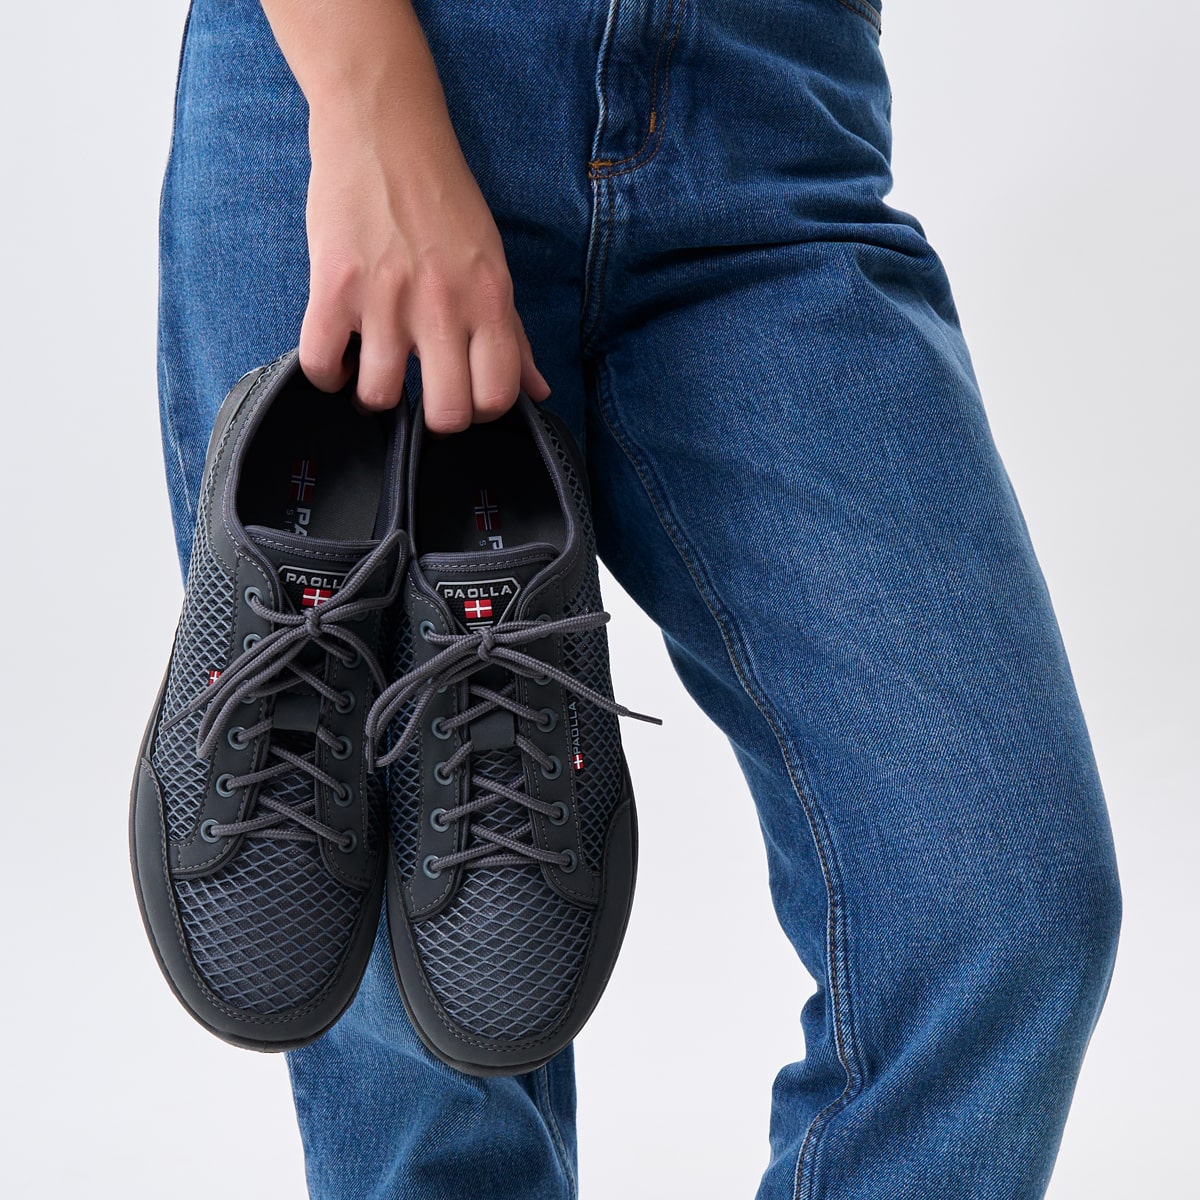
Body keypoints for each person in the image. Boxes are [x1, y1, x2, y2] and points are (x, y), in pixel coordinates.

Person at [155, 0, 1122, 1195]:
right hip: (374, 79)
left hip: (773, 129)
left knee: (1002, 903)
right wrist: (368, 107)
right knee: (422, 1043)